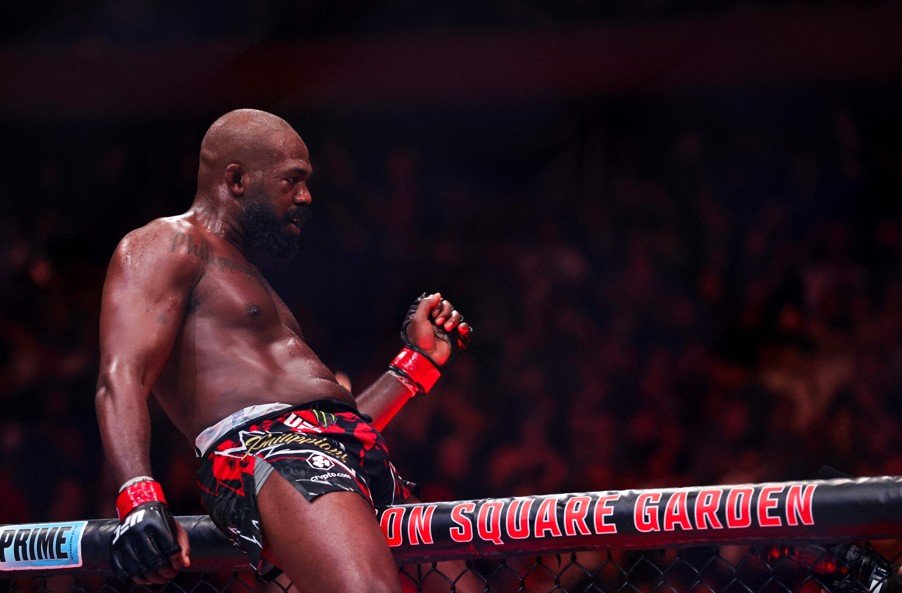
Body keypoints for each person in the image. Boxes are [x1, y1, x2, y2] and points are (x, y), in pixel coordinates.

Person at [95, 109, 473, 593]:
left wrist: (414, 366)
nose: (305, 197)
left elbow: (330, 423)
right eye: (292, 180)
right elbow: (120, 375)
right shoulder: (165, 245)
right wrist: (138, 494)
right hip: (268, 454)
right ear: (235, 179)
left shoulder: (248, 278)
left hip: (344, 452)